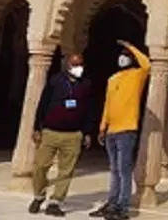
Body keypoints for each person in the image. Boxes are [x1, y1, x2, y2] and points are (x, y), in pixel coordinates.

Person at [29, 54, 93, 217]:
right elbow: (43, 104)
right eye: (75, 64)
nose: (78, 67)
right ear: (68, 65)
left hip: (72, 134)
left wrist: (86, 132)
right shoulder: (55, 81)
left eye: (80, 64)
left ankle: (56, 201)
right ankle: (39, 195)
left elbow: (89, 110)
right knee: (40, 166)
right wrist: (37, 127)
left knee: (66, 170)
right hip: (51, 131)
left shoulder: (85, 84)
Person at [92, 40, 150, 220]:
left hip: (127, 130)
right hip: (111, 131)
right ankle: (112, 203)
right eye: (122, 55)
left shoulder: (137, 75)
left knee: (124, 170)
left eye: (126, 56)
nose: (122, 58)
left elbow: (147, 64)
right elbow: (107, 105)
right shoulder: (113, 79)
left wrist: (131, 47)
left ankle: (122, 208)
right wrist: (102, 127)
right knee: (115, 170)